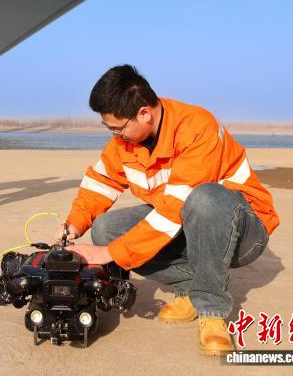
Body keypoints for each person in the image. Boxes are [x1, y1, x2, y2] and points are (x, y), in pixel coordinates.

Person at [56, 65, 279, 356]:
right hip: (186, 226)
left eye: (117, 128)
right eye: (109, 128)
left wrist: (110, 254)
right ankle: (191, 288)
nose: (115, 135)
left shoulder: (197, 127)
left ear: (144, 113)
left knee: (205, 198)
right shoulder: (124, 143)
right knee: (105, 229)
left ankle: (211, 310)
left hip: (242, 232)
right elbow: (100, 184)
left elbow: (174, 210)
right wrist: (73, 225)